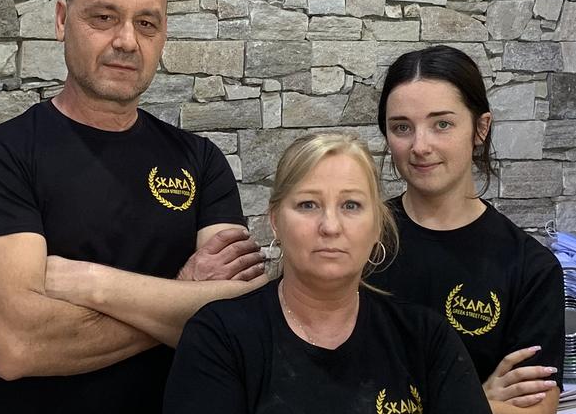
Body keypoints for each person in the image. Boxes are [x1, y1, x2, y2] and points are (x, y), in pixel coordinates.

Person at [0, 0, 266, 414]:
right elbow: (18, 345)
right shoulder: (0, 156)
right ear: (62, 21)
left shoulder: (201, 161)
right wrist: (182, 291)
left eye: (147, 23)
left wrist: (91, 283)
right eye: (103, 17)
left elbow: (238, 313)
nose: (126, 40)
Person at [161, 133, 492, 414]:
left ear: (377, 224)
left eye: (351, 205)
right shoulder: (219, 337)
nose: (330, 226)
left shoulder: (424, 338)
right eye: (308, 205)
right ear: (276, 220)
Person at [369, 45, 565, 414]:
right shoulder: (359, 240)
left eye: (442, 123)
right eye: (401, 128)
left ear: (480, 128)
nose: (420, 146)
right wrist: (474, 400)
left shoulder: (530, 269)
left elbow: (536, 410)